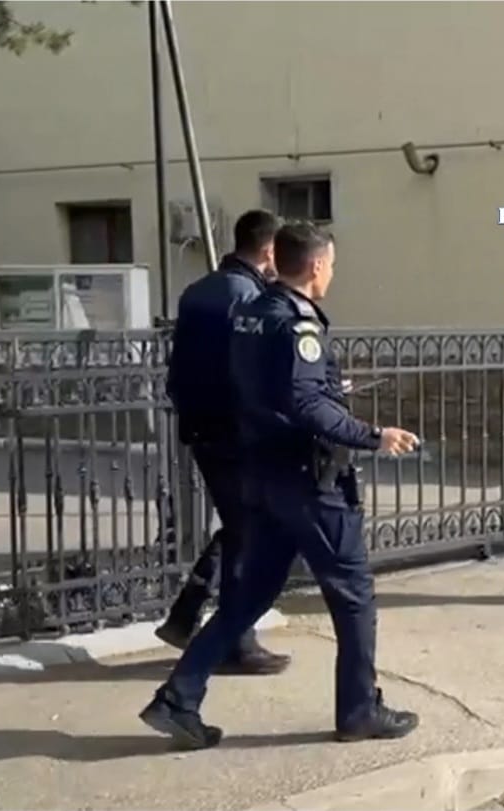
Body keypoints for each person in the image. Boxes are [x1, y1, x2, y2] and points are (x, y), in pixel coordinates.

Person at [140, 222, 422, 749]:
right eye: (331, 265)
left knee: (250, 595)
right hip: (307, 479)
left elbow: (269, 387)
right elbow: (306, 404)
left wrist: (317, 392)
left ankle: (178, 698)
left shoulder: (253, 312)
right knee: (354, 595)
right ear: (315, 266)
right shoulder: (298, 324)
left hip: (260, 474)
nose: (332, 274)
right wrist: (374, 435)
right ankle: (359, 710)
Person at [158, 209, 288, 675]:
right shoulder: (249, 296)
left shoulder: (199, 289)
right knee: (251, 533)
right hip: (237, 431)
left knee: (241, 526)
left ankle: (189, 613)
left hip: (202, 426)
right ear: (269, 250)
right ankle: (233, 641)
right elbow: (250, 369)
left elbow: (183, 365)